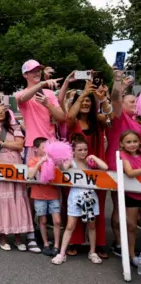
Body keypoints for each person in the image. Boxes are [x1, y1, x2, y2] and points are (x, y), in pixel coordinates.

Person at [15, 60, 64, 252]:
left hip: (52, 147)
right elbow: (21, 99)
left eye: (39, 71)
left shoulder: (50, 94)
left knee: (53, 187)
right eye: (33, 71)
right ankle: (31, 231)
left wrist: (49, 104)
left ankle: (51, 233)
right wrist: (42, 84)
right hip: (32, 146)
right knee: (32, 190)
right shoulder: (23, 93)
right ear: (25, 75)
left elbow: (61, 118)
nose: (37, 73)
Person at [66, 79, 111, 258]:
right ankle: (74, 241)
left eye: (88, 101)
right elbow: (69, 116)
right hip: (76, 170)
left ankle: (98, 244)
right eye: (82, 100)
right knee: (74, 205)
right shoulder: (73, 123)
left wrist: (102, 100)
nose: (85, 103)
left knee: (97, 206)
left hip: (96, 169)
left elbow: (111, 118)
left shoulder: (98, 120)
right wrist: (84, 93)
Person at [0, 101, 34, 251]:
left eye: (3, 109)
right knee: (2, 198)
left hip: (16, 165)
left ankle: (18, 238)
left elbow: (19, 145)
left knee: (17, 199)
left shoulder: (14, 126)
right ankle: (2, 237)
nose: (1, 111)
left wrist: (2, 142)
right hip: (0, 164)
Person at [52, 135, 107, 265]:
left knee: (92, 225)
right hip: (75, 195)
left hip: (90, 196)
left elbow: (104, 168)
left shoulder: (90, 161)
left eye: (85, 150)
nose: (83, 152)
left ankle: (92, 251)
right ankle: (62, 253)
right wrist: (59, 157)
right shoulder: (71, 161)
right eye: (80, 150)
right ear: (74, 151)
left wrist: (94, 157)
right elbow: (63, 168)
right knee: (70, 225)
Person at [107, 70, 139, 256]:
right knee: (120, 208)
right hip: (118, 168)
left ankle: (131, 246)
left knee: (133, 212)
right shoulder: (119, 118)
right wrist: (118, 81)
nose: (135, 104)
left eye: (135, 102)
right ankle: (119, 243)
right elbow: (114, 99)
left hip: (136, 171)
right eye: (131, 102)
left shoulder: (136, 122)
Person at [27, 137, 61, 256]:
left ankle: (57, 246)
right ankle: (46, 244)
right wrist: (41, 162)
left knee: (57, 221)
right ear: (36, 149)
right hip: (38, 194)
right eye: (43, 147)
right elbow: (30, 175)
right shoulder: (32, 160)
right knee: (43, 220)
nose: (46, 149)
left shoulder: (54, 159)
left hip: (53, 194)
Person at [118, 130, 141, 266]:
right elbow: (130, 172)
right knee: (131, 226)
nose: (132, 144)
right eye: (128, 142)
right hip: (131, 195)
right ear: (122, 144)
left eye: (134, 141)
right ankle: (131, 255)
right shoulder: (122, 155)